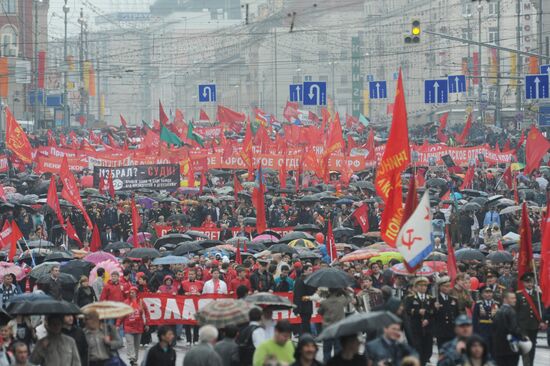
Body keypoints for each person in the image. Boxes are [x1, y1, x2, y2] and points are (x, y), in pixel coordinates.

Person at [515, 272, 546, 366]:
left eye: (531, 282)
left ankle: (530, 364)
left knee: (532, 347)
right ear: (523, 283)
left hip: (534, 325)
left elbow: (542, 309)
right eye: (527, 282)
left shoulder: (538, 294)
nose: (529, 284)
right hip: (523, 326)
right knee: (526, 347)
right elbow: (516, 311)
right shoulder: (519, 295)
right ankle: (526, 364)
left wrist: (542, 321)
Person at [403, 277, 436, 366]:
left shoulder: (431, 298)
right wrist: (417, 312)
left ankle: (424, 361)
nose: (423, 288)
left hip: (428, 328)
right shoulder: (410, 298)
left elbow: (433, 312)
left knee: (428, 349)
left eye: (425, 286)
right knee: (418, 348)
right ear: (416, 287)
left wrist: (427, 319)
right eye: (420, 286)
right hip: (416, 327)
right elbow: (407, 310)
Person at [318, 288, 353, 362]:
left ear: (329, 291)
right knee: (338, 349)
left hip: (327, 329)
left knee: (327, 350)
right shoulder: (341, 300)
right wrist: (344, 291)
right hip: (338, 328)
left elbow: (319, 312)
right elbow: (350, 298)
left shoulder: (324, 302)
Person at [119, 287, 145, 366]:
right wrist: (118, 324)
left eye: (133, 292)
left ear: (136, 293)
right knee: (130, 343)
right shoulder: (126, 302)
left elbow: (146, 312)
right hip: (128, 327)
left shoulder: (141, 302)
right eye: (130, 292)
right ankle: (132, 357)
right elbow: (122, 314)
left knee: (136, 345)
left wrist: (147, 323)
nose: (131, 294)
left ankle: (135, 359)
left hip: (138, 327)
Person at [434, 276, 459, 351]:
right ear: (440, 287)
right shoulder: (435, 300)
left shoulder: (453, 300)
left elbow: (456, 315)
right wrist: (434, 308)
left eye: (449, 286)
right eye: (446, 286)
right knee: (442, 352)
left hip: (452, 330)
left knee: (452, 352)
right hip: (441, 331)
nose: (449, 288)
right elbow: (432, 315)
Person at [472, 286, 499, 355]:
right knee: (484, 351)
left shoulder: (497, 304)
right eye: (486, 292)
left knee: (494, 351)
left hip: (494, 331)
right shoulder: (478, 304)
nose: (488, 294)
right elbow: (474, 320)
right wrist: (476, 334)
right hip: (482, 331)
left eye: (490, 292)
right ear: (482, 294)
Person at [292, 264, 316, 336]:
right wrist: (297, 308)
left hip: (307, 304)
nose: (311, 272)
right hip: (303, 306)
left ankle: (306, 336)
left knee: (306, 322)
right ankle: (305, 337)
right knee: (305, 323)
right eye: (309, 270)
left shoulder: (307, 280)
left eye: (312, 270)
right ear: (305, 270)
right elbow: (298, 295)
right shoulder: (301, 280)